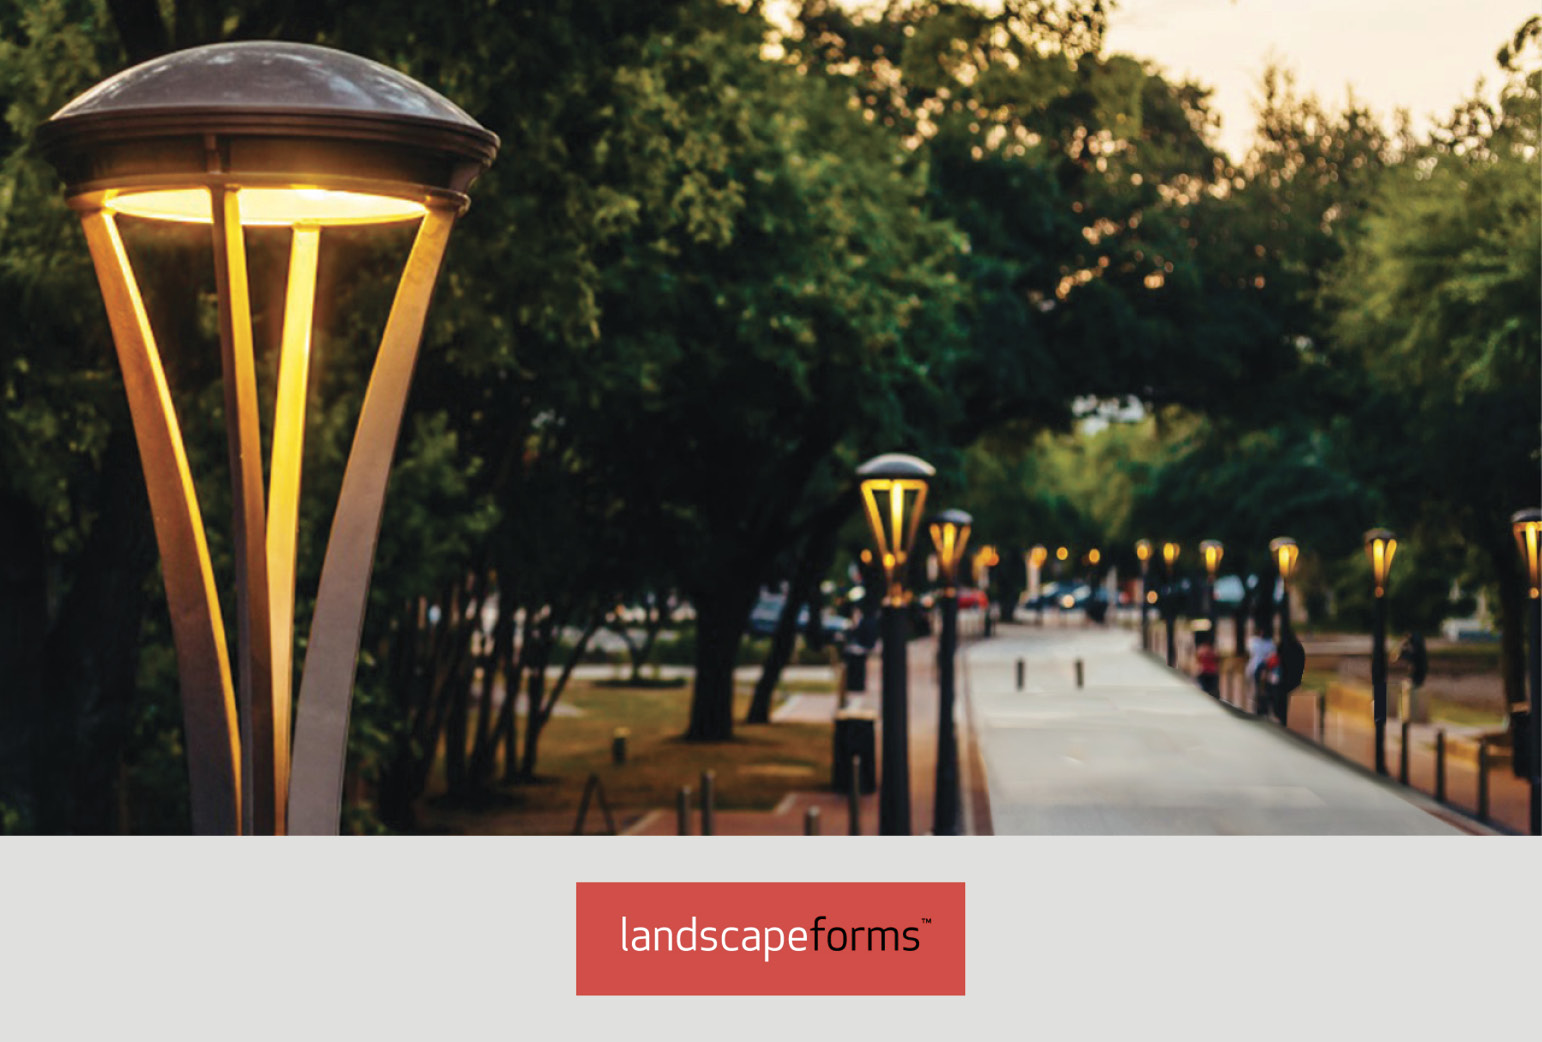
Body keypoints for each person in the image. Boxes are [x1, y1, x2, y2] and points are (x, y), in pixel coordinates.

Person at [1246, 627, 1276, 716]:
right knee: (1258, 688)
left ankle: (1264, 706)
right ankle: (1259, 706)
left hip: (1266, 667)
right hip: (1257, 667)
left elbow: (1271, 655)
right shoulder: (1254, 641)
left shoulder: (1269, 643)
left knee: (1265, 688)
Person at [1195, 633, 1220, 698]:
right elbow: (1217, 659)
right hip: (1211, 672)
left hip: (1205, 672)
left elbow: (1198, 660)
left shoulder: (1201, 650)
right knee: (1211, 690)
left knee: (1205, 690)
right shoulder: (1213, 650)